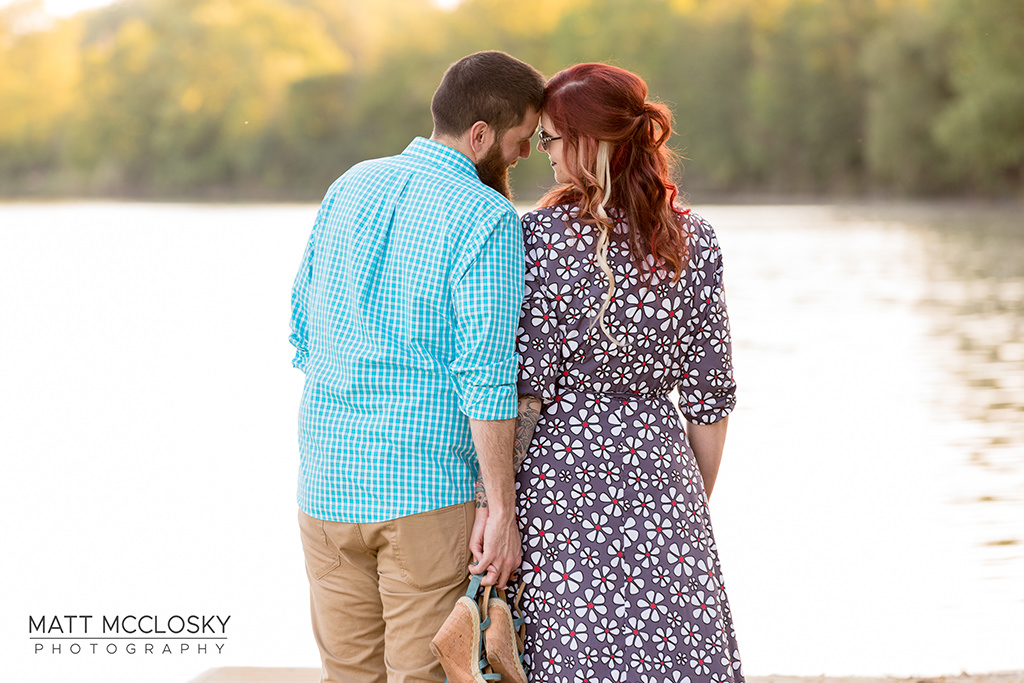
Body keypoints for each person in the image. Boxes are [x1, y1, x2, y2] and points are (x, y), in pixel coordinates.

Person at [288, 51, 544, 683]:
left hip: (325, 483)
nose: (524, 157)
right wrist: (502, 512)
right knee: (422, 678)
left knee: (348, 676)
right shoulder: (486, 217)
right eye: (519, 142)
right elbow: (486, 378)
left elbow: (300, 326)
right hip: (422, 491)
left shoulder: (348, 185)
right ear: (480, 135)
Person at [510, 63, 744, 682]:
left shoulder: (534, 240)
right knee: (675, 654)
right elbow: (709, 400)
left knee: (572, 650)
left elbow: (518, 389)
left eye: (552, 140)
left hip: (559, 479)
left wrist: (495, 507)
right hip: (662, 471)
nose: (547, 156)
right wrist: (686, 501)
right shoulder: (694, 240)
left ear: (590, 143)